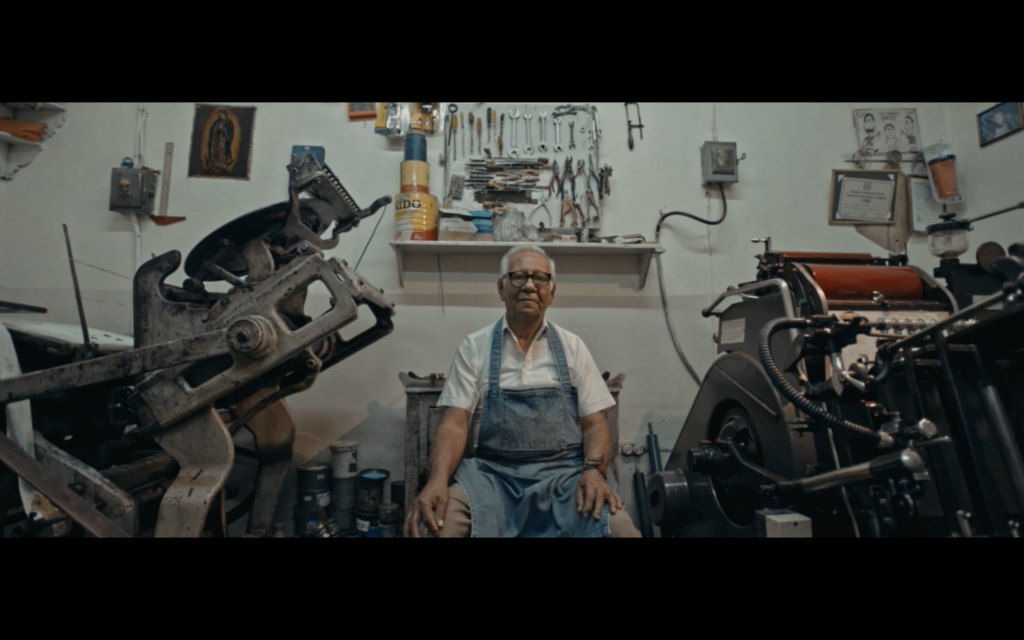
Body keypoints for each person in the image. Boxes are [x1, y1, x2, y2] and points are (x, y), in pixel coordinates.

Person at [404, 245, 641, 538]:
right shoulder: (474, 347)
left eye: (540, 278)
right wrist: (436, 481)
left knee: (622, 532)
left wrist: (593, 471)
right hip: (491, 477)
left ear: (551, 292)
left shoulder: (573, 347)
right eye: (518, 276)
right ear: (501, 288)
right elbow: (454, 425)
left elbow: (595, 425)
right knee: (434, 528)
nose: (529, 286)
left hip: (565, 478)